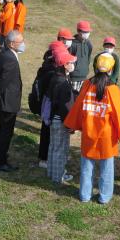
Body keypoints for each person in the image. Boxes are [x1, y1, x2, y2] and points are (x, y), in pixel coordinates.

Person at [64, 53, 120, 204]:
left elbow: (78, 107)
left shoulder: (87, 84)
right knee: (107, 168)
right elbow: (119, 114)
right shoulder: (113, 89)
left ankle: (85, 195)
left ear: (95, 67)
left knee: (86, 165)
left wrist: (73, 125)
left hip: (88, 133)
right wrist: (119, 134)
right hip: (107, 135)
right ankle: (104, 196)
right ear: (111, 70)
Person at [0, 30, 25, 172]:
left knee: (1, 127)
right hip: (8, 100)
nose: (22, 44)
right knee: (6, 131)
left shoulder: (4, 54)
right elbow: (3, 81)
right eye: (20, 42)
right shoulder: (10, 58)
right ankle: (1, 161)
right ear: (11, 43)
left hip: (4, 98)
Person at [46, 48, 77, 183]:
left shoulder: (55, 77)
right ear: (65, 65)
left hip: (53, 118)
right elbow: (66, 107)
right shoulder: (63, 83)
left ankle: (51, 173)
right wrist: (70, 124)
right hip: (61, 120)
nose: (72, 64)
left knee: (53, 147)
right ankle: (58, 177)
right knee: (60, 149)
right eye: (70, 62)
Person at [69, 21, 93, 94]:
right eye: (85, 31)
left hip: (84, 77)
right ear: (78, 31)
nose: (87, 33)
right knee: (72, 99)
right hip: (73, 78)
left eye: (88, 31)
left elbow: (88, 58)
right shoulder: (72, 44)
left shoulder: (89, 44)